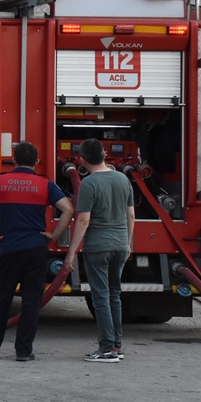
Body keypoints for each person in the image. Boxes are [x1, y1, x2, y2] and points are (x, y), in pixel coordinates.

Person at [0, 141, 74, 361]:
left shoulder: (0, 182)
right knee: (31, 300)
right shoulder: (45, 185)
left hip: (8, 248)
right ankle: (23, 351)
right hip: (35, 248)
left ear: (14, 160)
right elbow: (68, 209)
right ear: (36, 162)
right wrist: (54, 235)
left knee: (1, 298)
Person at [63, 138, 134, 363]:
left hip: (98, 247)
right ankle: (117, 345)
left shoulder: (89, 184)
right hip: (121, 244)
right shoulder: (123, 179)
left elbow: (83, 220)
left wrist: (71, 251)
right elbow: (131, 214)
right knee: (115, 295)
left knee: (100, 296)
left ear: (82, 160)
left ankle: (105, 349)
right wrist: (128, 242)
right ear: (105, 154)